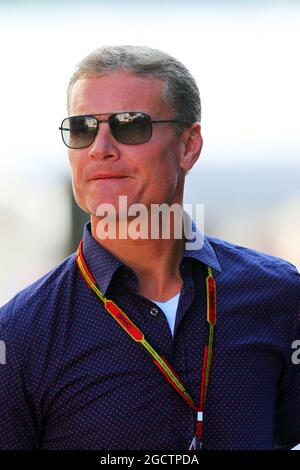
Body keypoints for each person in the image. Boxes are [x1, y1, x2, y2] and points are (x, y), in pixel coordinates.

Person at [0, 45, 299, 451]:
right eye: (84, 127)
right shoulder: (19, 334)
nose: (100, 147)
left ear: (189, 146)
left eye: (129, 124)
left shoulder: (280, 296)